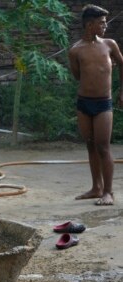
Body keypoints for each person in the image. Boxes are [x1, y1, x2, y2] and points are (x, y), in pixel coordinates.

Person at [68, 4, 123, 206]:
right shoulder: (75, 50)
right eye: (101, 23)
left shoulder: (110, 45)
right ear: (89, 25)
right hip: (84, 103)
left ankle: (108, 192)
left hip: (103, 104)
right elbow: (77, 76)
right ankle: (96, 188)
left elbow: (122, 64)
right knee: (90, 146)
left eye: (105, 22)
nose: (105, 26)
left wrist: (122, 91)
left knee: (103, 147)